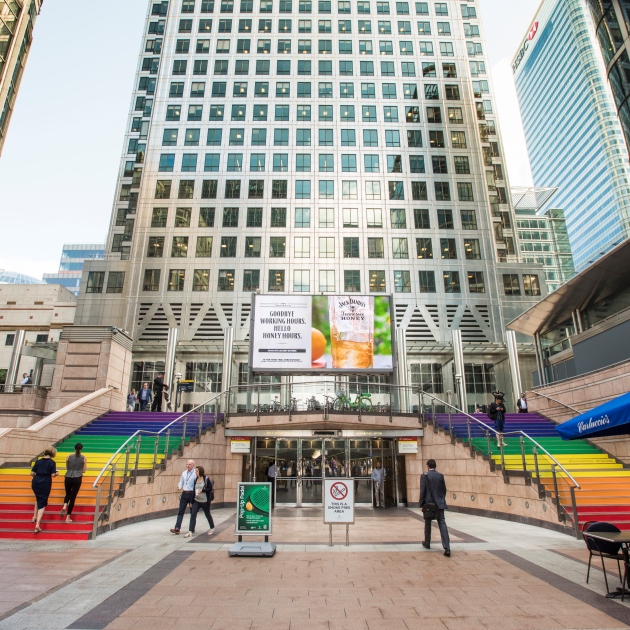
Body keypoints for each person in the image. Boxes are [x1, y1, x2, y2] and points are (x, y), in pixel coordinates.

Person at [420, 459, 451, 557]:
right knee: (442, 523)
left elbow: (423, 491)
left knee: (427, 522)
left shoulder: (424, 476)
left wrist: (421, 504)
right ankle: (447, 547)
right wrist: (441, 499)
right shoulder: (440, 476)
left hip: (429, 504)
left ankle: (427, 542)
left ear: (428, 466)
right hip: (440, 504)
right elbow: (444, 490)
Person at [31, 447, 58, 533]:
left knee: (38, 498)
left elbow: (32, 473)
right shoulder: (52, 462)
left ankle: (34, 517)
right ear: (53, 453)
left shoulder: (38, 461)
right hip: (45, 482)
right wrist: (57, 473)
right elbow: (53, 474)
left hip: (36, 481)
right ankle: (37, 525)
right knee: (42, 503)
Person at [184, 465, 215, 538]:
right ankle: (190, 531)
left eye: (197, 471)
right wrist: (191, 502)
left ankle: (212, 527)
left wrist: (202, 490)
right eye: (195, 471)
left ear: (200, 471)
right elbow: (193, 491)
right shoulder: (195, 479)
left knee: (207, 514)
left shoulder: (206, 479)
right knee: (193, 514)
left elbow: (210, 488)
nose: (196, 472)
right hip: (196, 500)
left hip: (204, 501)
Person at [61, 443, 86, 524]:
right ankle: (68, 517)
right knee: (73, 497)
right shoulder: (84, 458)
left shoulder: (68, 456)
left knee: (67, 494)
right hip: (77, 477)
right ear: (81, 449)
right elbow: (84, 470)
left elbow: (67, 467)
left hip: (68, 476)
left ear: (74, 448)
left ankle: (65, 505)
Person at [170, 459, 196, 534]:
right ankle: (177, 528)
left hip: (191, 494)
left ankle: (191, 528)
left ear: (193, 465)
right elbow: (181, 481)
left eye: (190, 464)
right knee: (181, 511)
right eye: (187, 464)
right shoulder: (184, 473)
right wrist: (180, 486)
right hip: (184, 493)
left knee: (192, 512)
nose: (188, 466)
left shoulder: (195, 473)